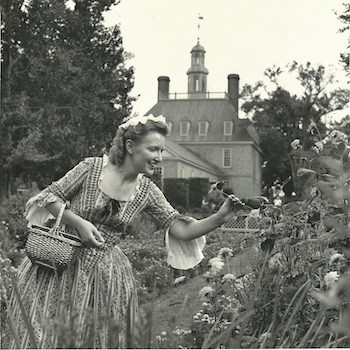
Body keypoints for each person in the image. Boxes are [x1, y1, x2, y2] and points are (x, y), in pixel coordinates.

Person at [6, 114, 238, 349]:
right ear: (130, 146)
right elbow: (49, 197)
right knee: (41, 333)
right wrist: (78, 222)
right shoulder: (91, 168)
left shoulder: (147, 191)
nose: (159, 158)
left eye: (161, 151)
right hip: (57, 265)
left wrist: (219, 217)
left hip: (104, 276)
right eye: (153, 149)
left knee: (95, 338)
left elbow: (181, 229)